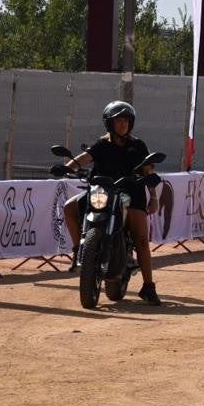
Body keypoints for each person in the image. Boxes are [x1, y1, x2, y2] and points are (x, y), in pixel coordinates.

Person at [58, 101, 163, 306]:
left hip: (131, 194)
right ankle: (79, 251)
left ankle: (148, 286)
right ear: (110, 123)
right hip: (102, 192)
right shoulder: (102, 144)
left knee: (141, 238)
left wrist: (154, 196)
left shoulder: (137, 146)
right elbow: (83, 158)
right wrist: (66, 168)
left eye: (126, 120)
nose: (122, 124)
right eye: (118, 120)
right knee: (69, 207)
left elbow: (148, 171)